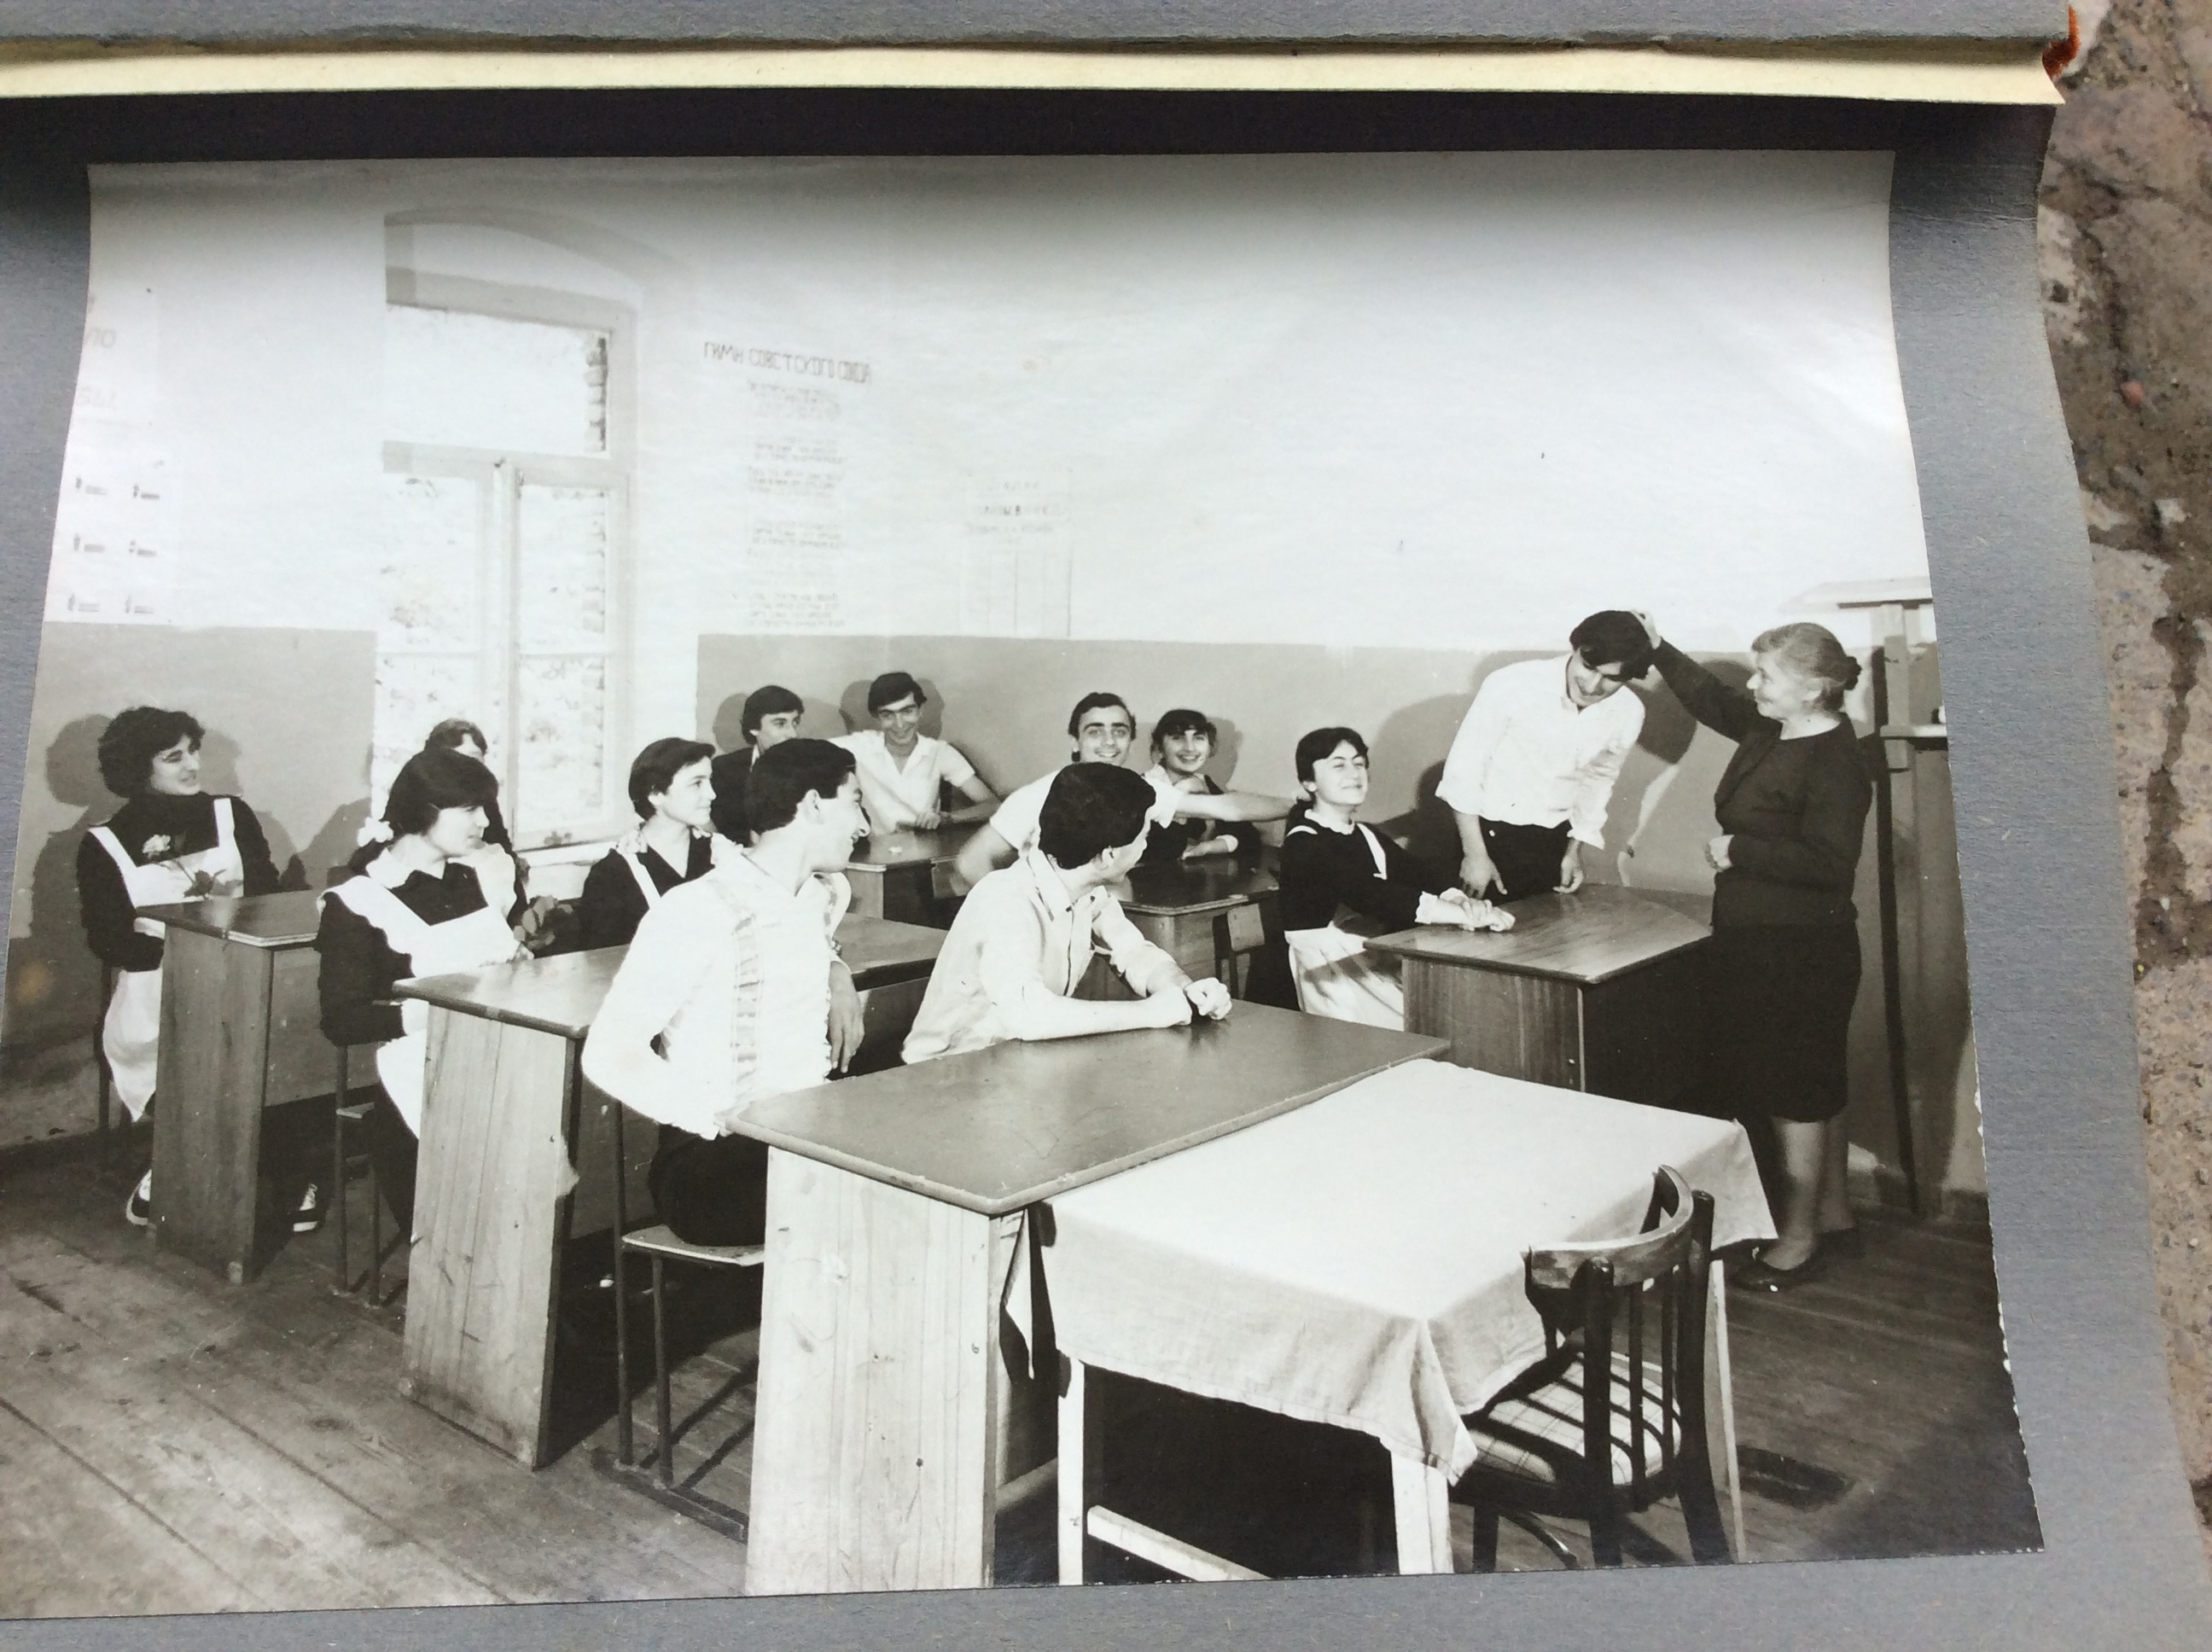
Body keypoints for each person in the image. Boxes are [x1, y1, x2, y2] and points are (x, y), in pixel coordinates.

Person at [1638, 611, 1871, 1290]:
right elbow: (1714, 700)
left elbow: (1831, 864)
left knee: (1793, 1092)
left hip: (1800, 950)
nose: (1755, 684)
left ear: (1814, 688)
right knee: (1813, 1083)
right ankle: (1833, 1214)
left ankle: (1797, 1239)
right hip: (1761, 941)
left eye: (1767, 675)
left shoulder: (1836, 760)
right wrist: (1659, 648)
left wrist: (1739, 849)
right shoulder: (1774, 727)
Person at [580, 739, 870, 1247]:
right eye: (855, 802)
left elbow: (802, 942)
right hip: (712, 1161)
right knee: (887, 1199)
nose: (864, 825)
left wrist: (836, 969)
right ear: (813, 805)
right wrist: (717, 1117)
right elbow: (608, 1053)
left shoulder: (822, 894)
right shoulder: (696, 908)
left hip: (800, 1132)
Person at [77, 707, 286, 1226]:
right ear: (138, 768)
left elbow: (268, 899)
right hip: (160, 982)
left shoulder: (232, 814)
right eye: (174, 757)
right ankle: (195, 1159)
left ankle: (253, 1166)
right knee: (175, 1048)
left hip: (244, 969)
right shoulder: (104, 842)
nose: (193, 765)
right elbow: (109, 940)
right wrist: (188, 955)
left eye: (194, 751)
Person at [316, 747, 530, 1234]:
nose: (484, 822)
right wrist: (439, 1008)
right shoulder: (357, 902)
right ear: (424, 811)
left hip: (498, 1067)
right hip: (420, 1088)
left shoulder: (466, 878)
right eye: (470, 809)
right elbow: (340, 1021)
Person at [903, 764, 1233, 1062]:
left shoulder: (1086, 890)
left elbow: (1134, 953)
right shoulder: (1007, 898)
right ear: (1108, 856)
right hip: (946, 1072)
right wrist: (1150, 1012)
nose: (1146, 846)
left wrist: (1184, 989)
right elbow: (1029, 1015)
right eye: (1143, 837)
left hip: (1010, 1061)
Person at [1278, 727, 1512, 1027]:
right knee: (1420, 1026)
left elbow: (1419, 874)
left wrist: (1462, 901)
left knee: (1442, 1015)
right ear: (1309, 782)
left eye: (1359, 763)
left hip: (1366, 955)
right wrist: (1467, 916)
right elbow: (1375, 895)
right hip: (1330, 973)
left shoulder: (1365, 833)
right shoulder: (1304, 842)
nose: (1354, 773)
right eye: (1338, 765)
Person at [950, 692, 1284, 893]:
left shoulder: (1136, 790)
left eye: (1119, 731)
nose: (1109, 742)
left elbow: (1228, 808)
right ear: (1075, 741)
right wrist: (1024, 912)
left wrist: (1300, 804)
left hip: (1111, 921)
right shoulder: (1038, 794)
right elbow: (971, 861)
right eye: (1095, 732)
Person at [1437, 611, 1652, 902]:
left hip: (1555, 844)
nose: (1592, 686)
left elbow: (1599, 780)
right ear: (1576, 649)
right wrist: (1474, 855)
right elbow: (1464, 770)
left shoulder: (1629, 711)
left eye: (1611, 678)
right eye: (1588, 667)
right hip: (1486, 838)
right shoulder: (1510, 683)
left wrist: (1573, 851)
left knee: (1547, 929)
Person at [573, 737, 731, 951]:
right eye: (697, 784)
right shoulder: (612, 875)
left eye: (710, 781)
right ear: (655, 794)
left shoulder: (722, 855)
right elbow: (602, 962)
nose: (712, 794)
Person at [835, 671, 998, 836]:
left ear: (920, 711)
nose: (899, 725)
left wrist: (947, 818)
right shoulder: (861, 745)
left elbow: (992, 805)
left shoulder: (939, 752)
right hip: (877, 849)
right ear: (877, 718)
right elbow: (817, 750)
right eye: (888, 715)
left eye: (907, 711)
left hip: (925, 848)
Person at [1138, 708, 1262, 867]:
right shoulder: (1143, 786)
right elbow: (1157, 847)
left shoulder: (1204, 782)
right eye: (1177, 738)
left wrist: (1207, 847)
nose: (1190, 748)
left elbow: (1248, 835)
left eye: (1198, 738)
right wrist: (1181, 791)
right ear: (1159, 749)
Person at [709, 684, 805, 843]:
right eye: (780, 723)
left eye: (795, 722)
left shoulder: (810, 768)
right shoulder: (724, 768)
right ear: (754, 727)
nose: (793, 734)